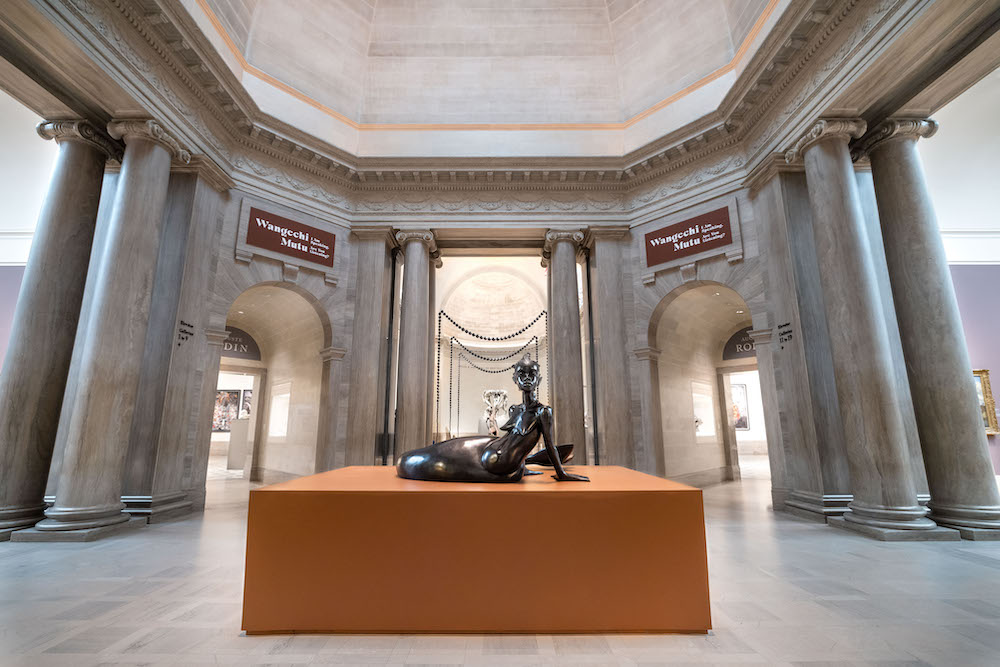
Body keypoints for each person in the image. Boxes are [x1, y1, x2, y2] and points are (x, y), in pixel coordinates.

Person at [396, 354, 589, 482]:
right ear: (515, 379)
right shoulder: (516, 409)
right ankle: (407, 460)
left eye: (532, 374)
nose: (527, 378)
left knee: (440, 462)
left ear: (538, 379)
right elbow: (510, 440)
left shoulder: (543, 412)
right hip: (492, 447)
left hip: (499, 462)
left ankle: (409, 462)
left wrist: (561, 474)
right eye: (522, 374)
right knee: (444, 448)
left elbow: (548, 444)